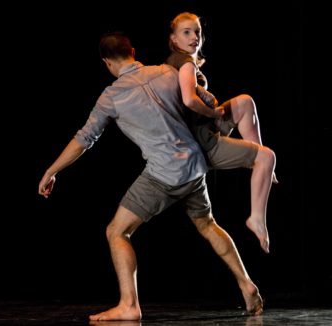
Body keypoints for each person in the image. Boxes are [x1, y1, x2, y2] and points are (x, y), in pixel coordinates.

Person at [38, 32, 263, 321]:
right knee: (208, 225)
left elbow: (84, 139)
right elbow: (202, 96)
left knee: (117, 232)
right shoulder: (166, 72)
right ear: (132, 50)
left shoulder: (111, 96)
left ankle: (129, 305)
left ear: (106, 62)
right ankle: (247, 285)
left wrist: (51, 170)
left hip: (164, 174)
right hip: (195, 164)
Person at [166, 12, 277, 253]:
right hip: (202, 142)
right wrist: (213, 114)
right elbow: (188, 100)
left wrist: (211, 111)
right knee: (268, 157)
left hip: (203, 129)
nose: (195, 36)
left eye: (197, 31)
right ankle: (256, 218)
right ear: (174, 39)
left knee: (245, 102)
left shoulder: (184, 62)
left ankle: (256, 161)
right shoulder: (185, 63)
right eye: (186, 32)